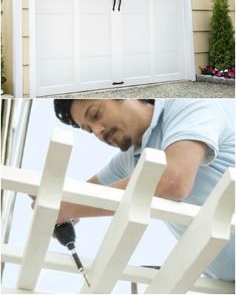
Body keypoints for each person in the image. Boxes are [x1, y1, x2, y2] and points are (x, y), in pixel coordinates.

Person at [53, 98, 235, 282]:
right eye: (89, 130)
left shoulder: (190, 106)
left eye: (95, 114)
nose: (98, 131)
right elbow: (82, 194)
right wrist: (52, 199)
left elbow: (174, 181)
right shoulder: (130, 160)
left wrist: (67, 209)